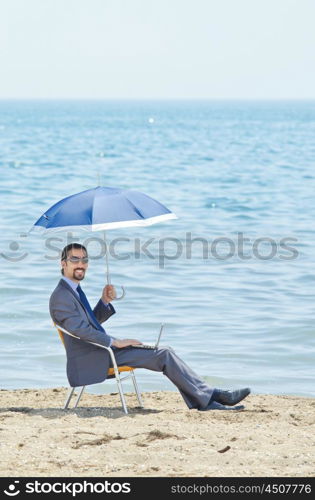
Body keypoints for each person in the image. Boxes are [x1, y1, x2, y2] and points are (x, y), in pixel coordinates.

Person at [49, 243, 250, 411]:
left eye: (84, 260)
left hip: (99, 351)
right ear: (63, 263)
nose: (81, 264)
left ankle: (207, 398)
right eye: (75, 259)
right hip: (94, 358)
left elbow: (89, 324)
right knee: (162, 353)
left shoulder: (73, 290)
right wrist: (115, 342)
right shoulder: (62, 296)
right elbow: (80, 330)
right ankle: (211, 398)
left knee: (163, 351)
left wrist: (104, 302)